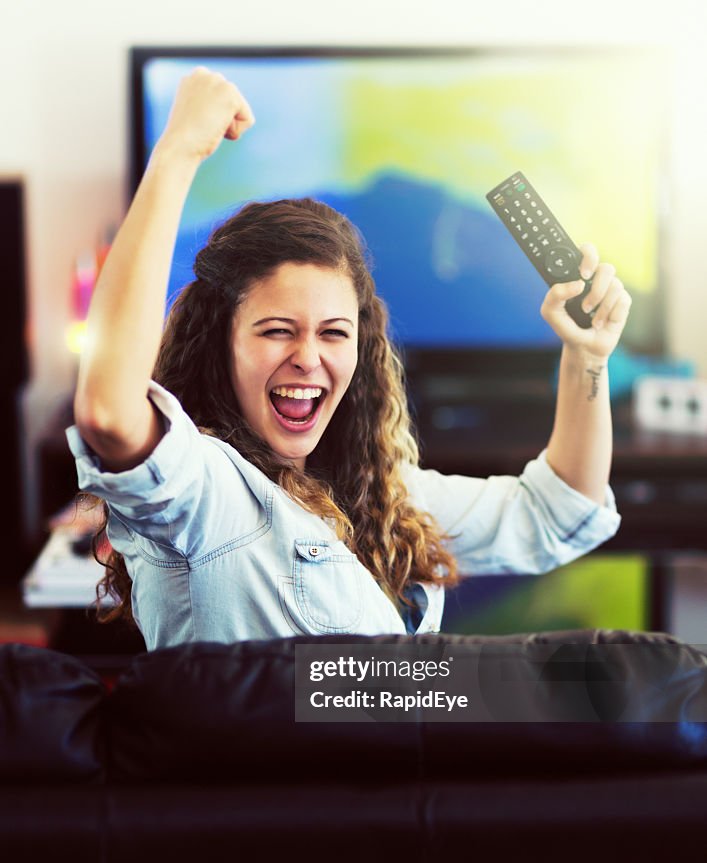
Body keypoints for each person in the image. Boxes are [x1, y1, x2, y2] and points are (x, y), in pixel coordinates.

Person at [68, 68, 629, 651]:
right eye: (277, 331)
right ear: (221, 343)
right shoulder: (205, 493)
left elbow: (557, 512)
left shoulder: (379, 492)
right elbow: (109, 411)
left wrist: (587, 356)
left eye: (334, 333)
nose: (308, 358)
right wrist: (178, 150)